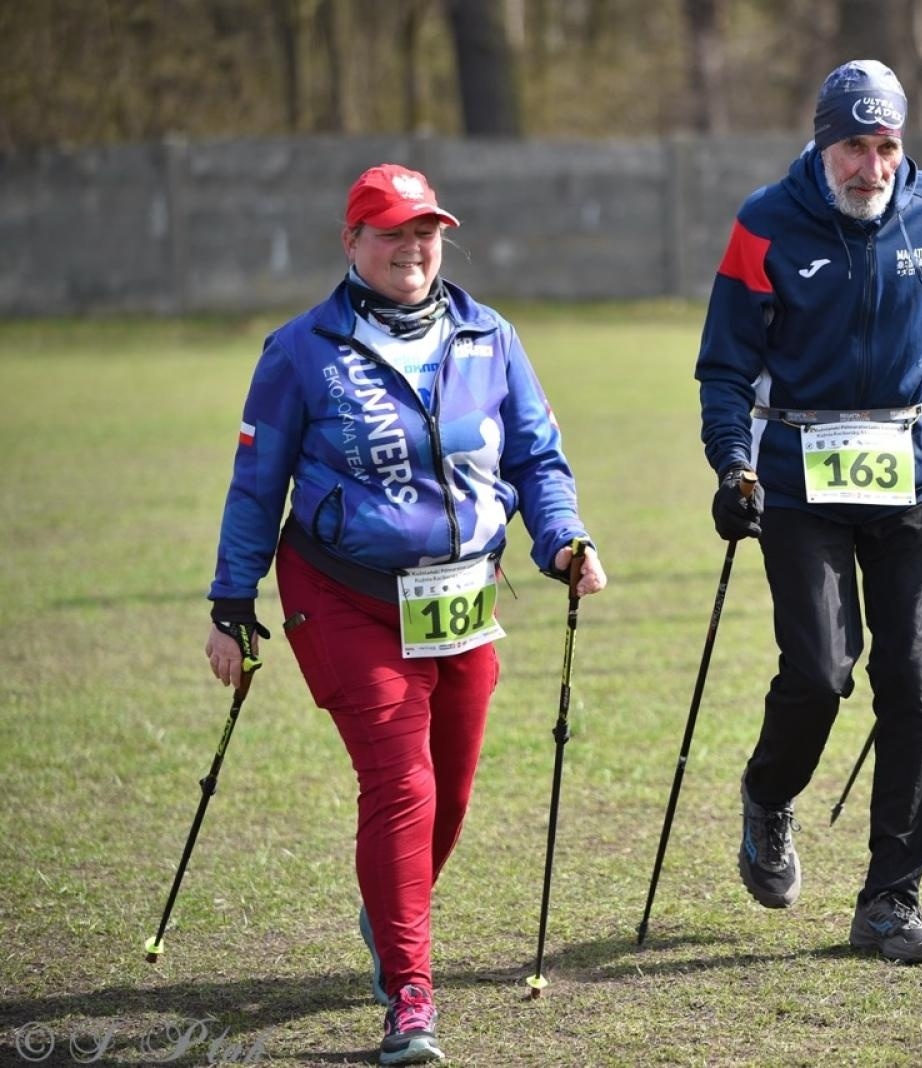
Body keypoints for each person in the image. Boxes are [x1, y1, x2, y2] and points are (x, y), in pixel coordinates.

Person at [204, 163, 606, 1065]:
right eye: (390, 234)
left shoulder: (488, 335)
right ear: (351, 244)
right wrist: (232, 603)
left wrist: (562, 541)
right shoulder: (301, 350)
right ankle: (411, 998)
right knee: (402, 784)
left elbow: (538, 458)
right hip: (340, 594)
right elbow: (254, 484)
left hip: (461, 595)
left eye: (426, 232)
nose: (413, 249)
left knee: (451, 792)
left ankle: (389, 915)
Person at [695, 60, 922, 964]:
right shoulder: (764, 223)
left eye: (885, 147)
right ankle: (769, 796)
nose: (870, 166)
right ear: (821, 142)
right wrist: (731, 466)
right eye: (852, 145)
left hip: (909, 479)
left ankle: (888, 902)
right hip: (799, 481)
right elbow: (724, 368)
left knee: (915, 690)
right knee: (823, 672)